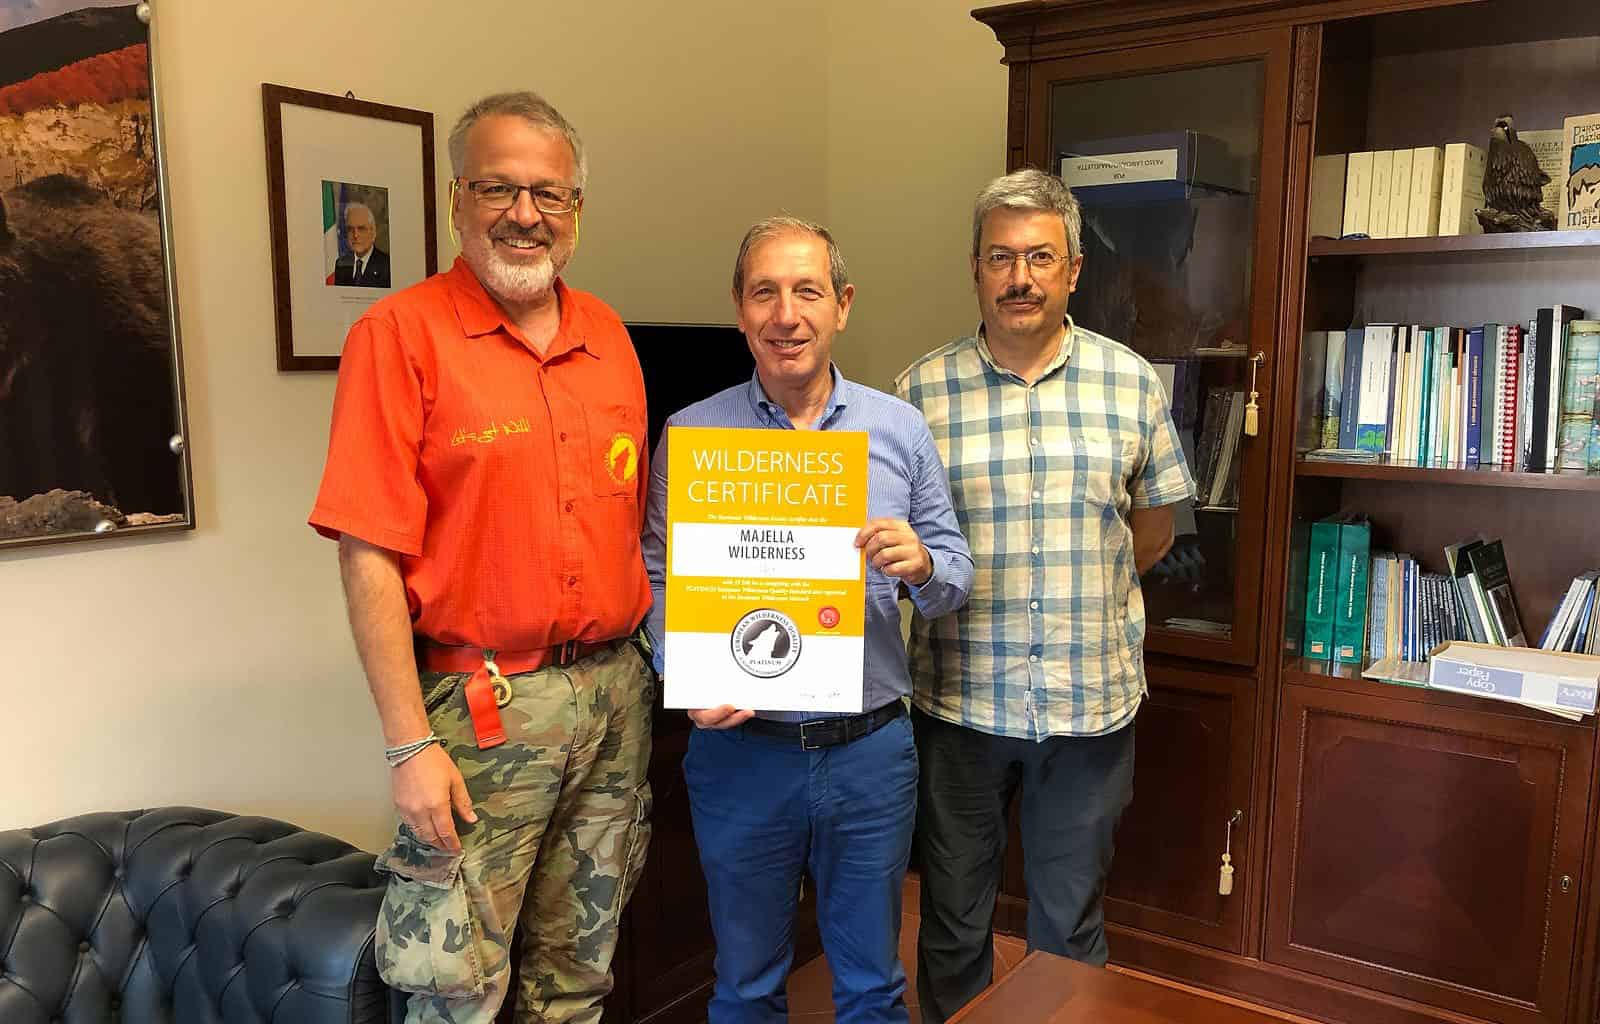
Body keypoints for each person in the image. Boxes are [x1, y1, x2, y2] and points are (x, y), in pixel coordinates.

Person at [308, 91, 654, 1024]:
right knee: (454, 988)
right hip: (479, 710)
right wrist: (408, 744)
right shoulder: (399, 337)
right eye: (499, 188)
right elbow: (368, 555)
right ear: (457, 198)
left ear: (576, 207)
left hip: (614, 697)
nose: (525, 214)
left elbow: (632, 528)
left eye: (549, 192)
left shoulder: (610, 338)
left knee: (578, 974)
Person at [642, 216, 973, 1024]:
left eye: (807, 291)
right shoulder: (692, 434)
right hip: (741, 755)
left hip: (868, 753)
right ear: (739, 309)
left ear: (842, 305)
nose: (785, 314)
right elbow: (655, 574)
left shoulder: (897, 429)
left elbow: (954, 576)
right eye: (765, 293)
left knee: (871, 987)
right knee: (746, 986)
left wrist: (922, 566)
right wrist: (680, 671)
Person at [896, 169, 1195, 1024]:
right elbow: (899, 546)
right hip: (959, 707)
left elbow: (1154, 529)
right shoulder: (918, 393)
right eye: (1001, 258)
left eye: (1039, 257)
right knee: (953, 924)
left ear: (1073, 271)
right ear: (975, 269)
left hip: (1088, 708)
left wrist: (1081, 591)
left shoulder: (1131, 382)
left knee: (1070, 928)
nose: (1019, 277)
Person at [334, 202, 392, 287]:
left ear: (373, 232)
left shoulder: (387, 265)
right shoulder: (341, 264)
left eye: (361, 229)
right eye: (350, 229)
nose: (355, 235)